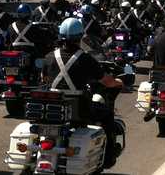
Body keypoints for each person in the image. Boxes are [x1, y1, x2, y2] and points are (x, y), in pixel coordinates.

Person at [42, 18, 124, 169]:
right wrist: (119, 82)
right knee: (106, 114)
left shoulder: (49, 57)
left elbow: (45, 79)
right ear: (80, 37)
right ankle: (108, 157)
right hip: (79, 111)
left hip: (52, 110)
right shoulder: (85, 59)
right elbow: (107, 82)